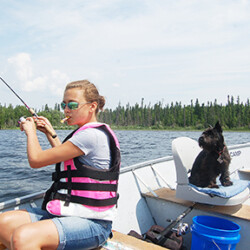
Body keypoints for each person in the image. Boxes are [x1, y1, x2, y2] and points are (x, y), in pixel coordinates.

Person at [0, 80, 121, 250]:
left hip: (94, 224)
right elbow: (65, 160)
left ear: (92, 106)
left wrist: (30, 132)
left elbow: (36, 160)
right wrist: (51, 132)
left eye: (72, 105)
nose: (66, 110)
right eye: (63, 105)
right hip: (67, 215)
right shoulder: (86, 133)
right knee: (3, 224)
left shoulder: (91, 135)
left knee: (24, 237)